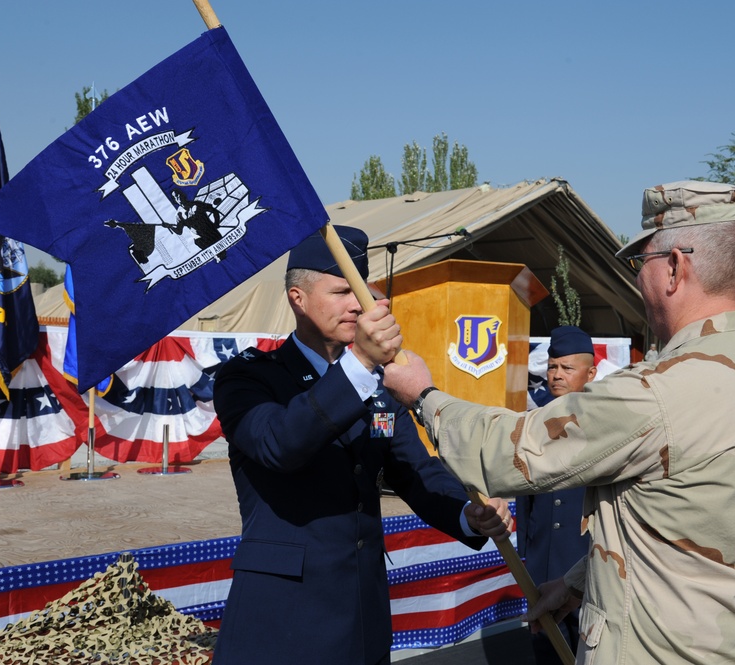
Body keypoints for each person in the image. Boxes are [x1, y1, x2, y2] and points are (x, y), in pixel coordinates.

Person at [384, 181, 735, 664]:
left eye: (640, 264)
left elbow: (510, 451)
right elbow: (689, 533)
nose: (637, 281)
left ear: (674, 268)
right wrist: (574, 586)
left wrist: (423, 394)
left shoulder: (659, 392)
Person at [211, 225, 510, 665]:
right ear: (298, 298)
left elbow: (413, 468)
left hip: (362, 618)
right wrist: (362, 362)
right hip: (282, 618)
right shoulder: (252, 377)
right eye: (340, 292)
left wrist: (468, 515)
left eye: (361, 291)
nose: (358, 304)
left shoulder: (377, 384)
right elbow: (280, 444)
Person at [516, 325, 595, 663]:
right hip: (544, 564)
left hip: (587, 566)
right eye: (552, 367)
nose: (556, 375)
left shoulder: (602, 423)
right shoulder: (532, 422)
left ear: (590, 373)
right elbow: (524, 499)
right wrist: (527, 554)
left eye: (567, 368)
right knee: (545, 652)